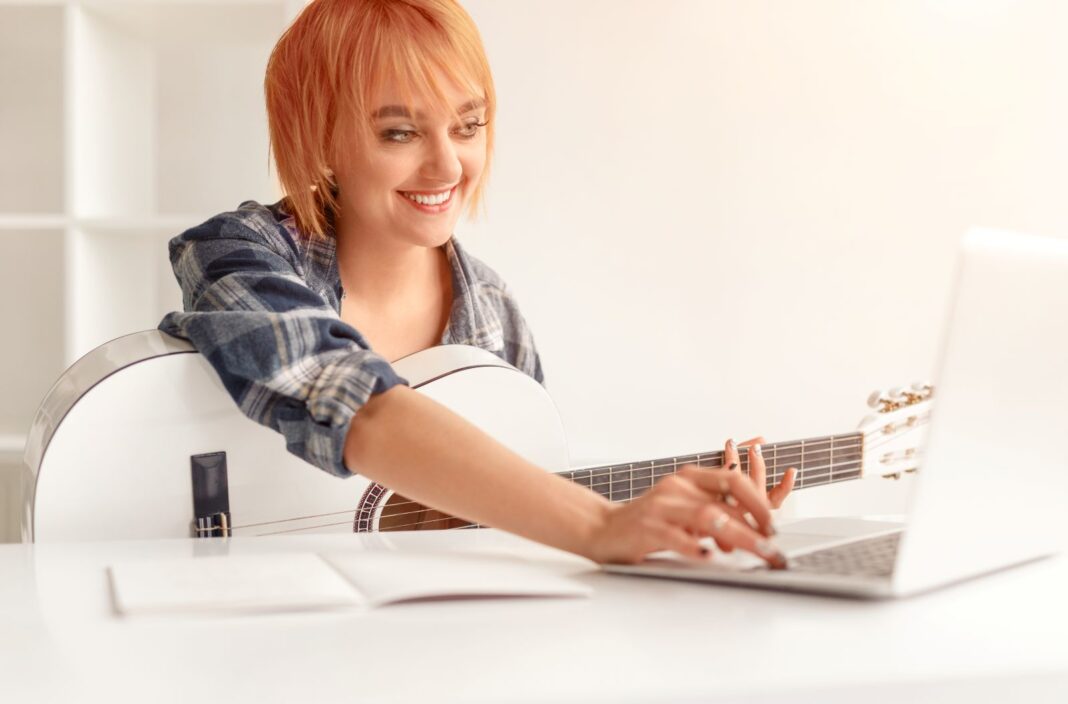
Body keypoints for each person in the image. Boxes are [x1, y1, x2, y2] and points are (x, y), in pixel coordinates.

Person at [158, 0, 794, 567]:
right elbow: (349, 399)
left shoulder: (494, 314)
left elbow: (519, 509)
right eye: (399, 132)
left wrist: (682, 525)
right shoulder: (235, 254)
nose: (447, 166)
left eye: (468, 126)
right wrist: (599, 525)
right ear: (322, 139)